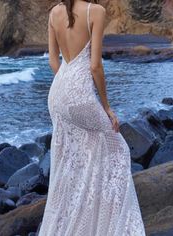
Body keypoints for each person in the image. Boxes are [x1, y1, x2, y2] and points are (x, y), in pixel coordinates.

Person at [38, 0, 146, 235]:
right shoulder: (95, 11)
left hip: (56, 95)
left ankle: (76, 221)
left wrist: (67, 82)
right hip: (79, 95)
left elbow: (53, 61)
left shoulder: (53, 12)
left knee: (70, 157)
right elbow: (95, 66)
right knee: (118, 148)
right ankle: (106, 225)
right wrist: (106, 107)